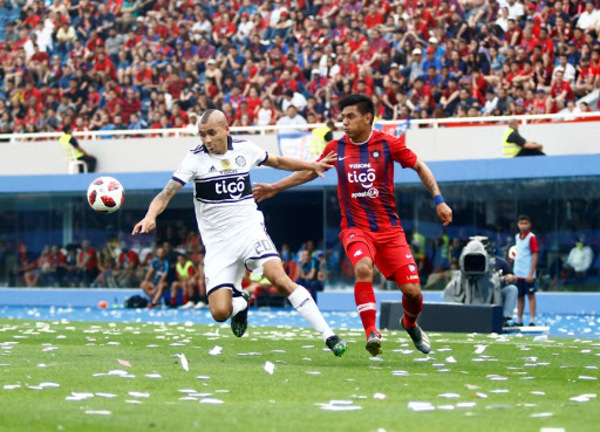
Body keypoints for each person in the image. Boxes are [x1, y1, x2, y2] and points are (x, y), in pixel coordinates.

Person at [132, 109, 347, 357]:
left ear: (226, 129)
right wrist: (150, 215)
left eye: (212, 133)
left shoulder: (245, 149)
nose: (207, 139)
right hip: (218, 245)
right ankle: (240, 302)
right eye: (202, 134)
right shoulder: (194, 159)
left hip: (249, 230)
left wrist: (310, 164)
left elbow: (277, 161)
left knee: (280, 279)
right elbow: (166, 193)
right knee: (220, 313)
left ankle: (329, 335)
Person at [253, 94, 453, 356]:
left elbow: (420, 166)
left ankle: (410, 323)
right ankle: (372, 331)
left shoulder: (388, 144)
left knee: (413, 292)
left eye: (350, 117)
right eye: (342, 117)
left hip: (390, 231)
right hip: (355, 229)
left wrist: (439, 200)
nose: (343, 122)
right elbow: (311, 170)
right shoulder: (336, 148)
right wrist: (275, 188)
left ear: (367, 118)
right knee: (362, 267)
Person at [442, 236, 518, 327]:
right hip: (468, 289)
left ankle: (504, 318)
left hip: (494, 292)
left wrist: (509, 277)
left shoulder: (499, 261)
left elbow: (514, 277)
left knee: (512, 289)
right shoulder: (466, 261)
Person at [513, 215, 539, 326]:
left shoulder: (531, 237)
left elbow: (535, 255)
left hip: (528, 273)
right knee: (519, 296)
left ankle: (532, 320)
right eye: (521, 223)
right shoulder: (517, 237)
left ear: (529, 225)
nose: (523, 225)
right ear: (518, 224)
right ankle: (519, 319)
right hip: (518, 272)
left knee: (531, 295)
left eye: (525, 223)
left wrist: (531, 273)